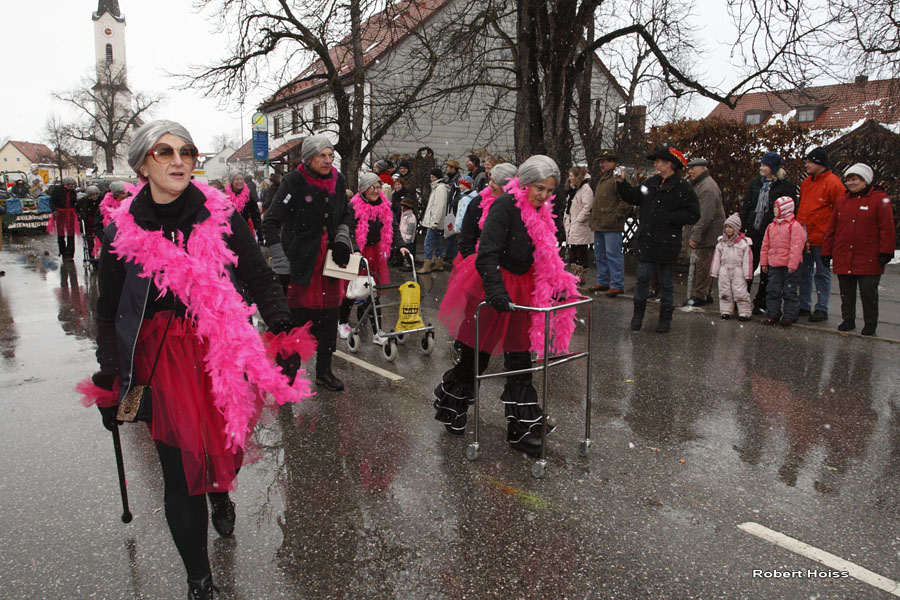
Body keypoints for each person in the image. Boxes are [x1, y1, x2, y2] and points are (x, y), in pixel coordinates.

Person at [83, 119, 313, 600]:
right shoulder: (119, 230)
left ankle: (220, 492)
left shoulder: (221, 215)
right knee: (179, 467)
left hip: (219, 348)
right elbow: (108, 313)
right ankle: (199, 580)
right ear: (143, 164)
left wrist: (284, 332)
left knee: (221, 446)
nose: (178, 161)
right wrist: (109, 380)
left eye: (186, 151)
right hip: (161, 357)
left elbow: (258, 276)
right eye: (164, 153)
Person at [433, 156, 579, 456]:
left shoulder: (542, 212)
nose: (543, 196)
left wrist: (557, 285)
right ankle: (452, 406)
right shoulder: (504, 206)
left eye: (549, 191)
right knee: (476, 358)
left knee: (520, 360)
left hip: (523, 289)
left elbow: (545, 255)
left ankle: (521, 427)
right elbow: (486, 252)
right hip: (491, 284)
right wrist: (496, 291)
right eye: (539, 188)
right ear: (524, 182)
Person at [263, 134, 354, 392]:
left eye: (330, 155)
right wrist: (281, 261)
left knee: (329, 318)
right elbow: (270, 222)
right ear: (308, 158)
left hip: (330, 263)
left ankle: (324, 371)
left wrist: (342, 240)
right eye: (322, 156)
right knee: (293, 322)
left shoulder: (339, 180)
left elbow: (346, 213)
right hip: (300, 262)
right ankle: (286, 375)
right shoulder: (293, 182)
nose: (328, 160)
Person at [617, 143, 700, 333]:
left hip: (667, 243)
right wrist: (622, 183)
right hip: (646, 241)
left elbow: (694, 214)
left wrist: (670, 218)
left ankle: (665, 320)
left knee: (666, 284)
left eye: (659, 161)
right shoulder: (651, 183)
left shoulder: (682, 188)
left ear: (670, 164)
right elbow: (633, 197)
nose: (655, 164)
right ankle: (637, 319)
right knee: (642, 279)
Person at [822, 163, 895, 336]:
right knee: (846, 292)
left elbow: (887, 227)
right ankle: (848, 319)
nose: (851, 183)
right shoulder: (842, 201)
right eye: (848, 180)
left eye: (855, 179)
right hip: (844, 254)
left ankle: (870, 322)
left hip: (868, 256)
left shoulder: (879, 199)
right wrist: (827, 251)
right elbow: (832, 228)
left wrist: (886, 250)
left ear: (865, 180)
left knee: (868, 293)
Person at [337, 172, 408, 343]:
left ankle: (377, 332)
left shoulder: (385, 205)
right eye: (372, 187)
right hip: (357, 253)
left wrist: (401, 245)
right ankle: (343, 322)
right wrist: (354, 249)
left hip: (375, 252)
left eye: (378, 187)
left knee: (373, 292)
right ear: (363, 189)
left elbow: (393, 227)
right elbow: (349, 230)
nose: (376, 191)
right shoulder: (353, 206)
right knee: (352, 290)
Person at [740, 152, 797, 313]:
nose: (761, 168)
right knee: (749, 267)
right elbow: (747, 206)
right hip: (753, 231)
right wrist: (741, 227)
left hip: (773, 234)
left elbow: (789, 211)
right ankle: (742, 300)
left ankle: (761, 302)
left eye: (765, 165)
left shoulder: (785, 186)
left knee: (767, 270)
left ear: (773, 167)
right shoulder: (756, 183)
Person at [796, 147, 843, 322]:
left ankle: (822, 307)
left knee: (822, 273)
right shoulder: (807, 182)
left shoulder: (833, 183)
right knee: (804, 272)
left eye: (809, 161)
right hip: (805, 236)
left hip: (822, 237)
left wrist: (833, 235)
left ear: (819, 163)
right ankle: (804, 304)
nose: (806, 165)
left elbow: (840, 212)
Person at [588, 149, 630, 296]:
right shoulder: (604, 177)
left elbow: (626, 199)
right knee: (600, 255)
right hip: (600, 223)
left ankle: (617, 284)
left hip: (611, 224)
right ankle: (603, 281)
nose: (601, 164)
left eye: (604, 161)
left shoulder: (618, 177)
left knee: (613, 254)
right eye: (601, 161)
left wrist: (616, 215)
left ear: (612, 162)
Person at [759, 196, 806, 326]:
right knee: (773, 289)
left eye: (777, 207)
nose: (774, 210)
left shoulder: (794, 226)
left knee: (789, 291)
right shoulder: (771, 226)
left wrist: (793, 264)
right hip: (774, 264)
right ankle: (772, 314)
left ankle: (790, 315)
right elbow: (765, 245)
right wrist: (764, 262)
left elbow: (796, 247)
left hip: (789, 266)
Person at [684, 158, 725, 306]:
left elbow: (705, 215)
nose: (690, 171)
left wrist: (695, 236)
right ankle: (705, 294)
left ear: (703, 168)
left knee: (703, 266)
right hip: (707, 233)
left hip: (709, 235)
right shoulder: (700, 185)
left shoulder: (707, 187)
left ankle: (700, 296)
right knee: (704, 265)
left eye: (693, 168)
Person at [457, 162, 518, 259]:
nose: (490, 184)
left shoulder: (518, 204)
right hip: (480, 260)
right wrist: (473, 259)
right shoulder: (478, 202)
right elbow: (467, 236)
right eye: (490, 180)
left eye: (495, 182)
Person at [711, 213, 753, 321]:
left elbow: (747, 260)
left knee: (740, 292)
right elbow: (716, 258)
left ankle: (744, 313)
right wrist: (714, 271)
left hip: (738, 270)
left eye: (731, 227)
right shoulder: (721, 243)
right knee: (725, 292)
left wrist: (747, 273)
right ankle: (726, 311)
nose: (728, 230)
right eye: (726, 227)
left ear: (736, 228)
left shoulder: (743, 243)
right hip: (724, 269)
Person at [563, 166, 593, 286]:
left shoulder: (585, 189)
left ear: (577, 176)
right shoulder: (574, 190)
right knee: (573, 251)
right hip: (572, 223)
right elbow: (569, 205)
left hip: (580, 225)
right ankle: (574, 275)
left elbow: (587, 207)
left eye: (571, 176)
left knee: (581, 251)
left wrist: (579, 219)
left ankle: (581, 276)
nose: (569, 178)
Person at [417, 168, 449, 274]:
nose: (431, 179)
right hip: (436, 221)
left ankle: (427, 264)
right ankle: (439, 262)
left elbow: (439, 206)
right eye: (431, 177)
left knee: (428, 242)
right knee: (438, 242)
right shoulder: (438, 188)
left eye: (433, 177)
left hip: (434, 221)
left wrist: (434, 221)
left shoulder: (439, 189)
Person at [225, 173, 263, 244]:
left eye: (241, 179)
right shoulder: (224, 195)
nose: (240, 181)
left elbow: (256, 217)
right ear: (231, 181)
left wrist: (260, 237)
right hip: (227, 232)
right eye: (237, 179)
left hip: (243, 231)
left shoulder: (248, 196)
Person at [50, 176, 79, 260]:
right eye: (70, 185)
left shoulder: (73, 192)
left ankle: (70, 254)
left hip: (70, 213)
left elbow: (74, 203)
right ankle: (62, 251)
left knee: (71, 233)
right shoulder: (57, 191)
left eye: (72, 185)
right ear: (65, 185)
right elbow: (52, 201)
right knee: (61, 234)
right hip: (60, 213)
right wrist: (54, 210)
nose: (71, 186)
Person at [77, 185, 102, 259]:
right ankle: (91, 254)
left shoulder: (101, 200)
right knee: (89, 237)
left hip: (99, 220)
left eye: (96, 194)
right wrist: (80, 214)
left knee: (99, 237)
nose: (94, 196)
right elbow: (77, 207)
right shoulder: (84, 201)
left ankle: (99, 254)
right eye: (92, 195)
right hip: (89, 220)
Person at [398, 196, 418, 270]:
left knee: (408, 253)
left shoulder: (411, 217)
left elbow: (410, 229)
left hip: (407, 238)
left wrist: (408, 239)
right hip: (403, 236)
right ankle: (405, 263)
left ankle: (409, 265)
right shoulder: (403, 215)